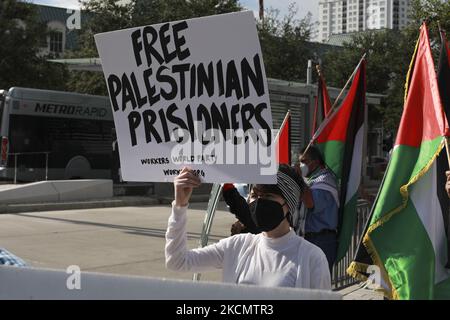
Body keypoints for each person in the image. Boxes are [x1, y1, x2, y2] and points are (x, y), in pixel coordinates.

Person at [165, 165, 331, 289]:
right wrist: (180, 205)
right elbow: (177, 261)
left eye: (268, 196)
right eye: (254, 195)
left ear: (289, 205)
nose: (258, 202)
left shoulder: (311, 257)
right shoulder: (237, 245)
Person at [295, 146, 339, 273]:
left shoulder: (325, 181)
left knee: (318, 286)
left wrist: (298, 179)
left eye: (304, 161)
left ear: (315, 162)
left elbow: (310, 203)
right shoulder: (312, 180)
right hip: (308, 239)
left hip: (321, 241)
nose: (301, 165)